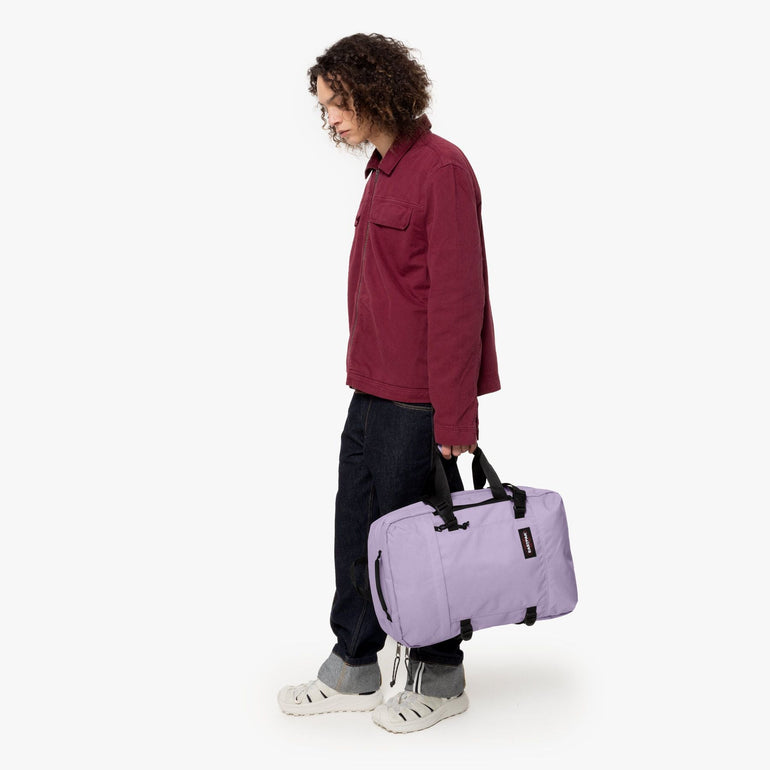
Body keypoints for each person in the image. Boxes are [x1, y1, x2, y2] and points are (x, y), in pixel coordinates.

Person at [278, 32, 501, 733]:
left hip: (418, 399)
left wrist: (455, 420)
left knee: (420, 541)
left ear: (378, 92)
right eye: (324, 107)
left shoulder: (442, 169)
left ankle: (440, 677)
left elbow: (459, 303)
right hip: (371, 387)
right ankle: (355, 665)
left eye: (339, 103)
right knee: (356, 529)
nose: (331, 119)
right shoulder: (382, 169)